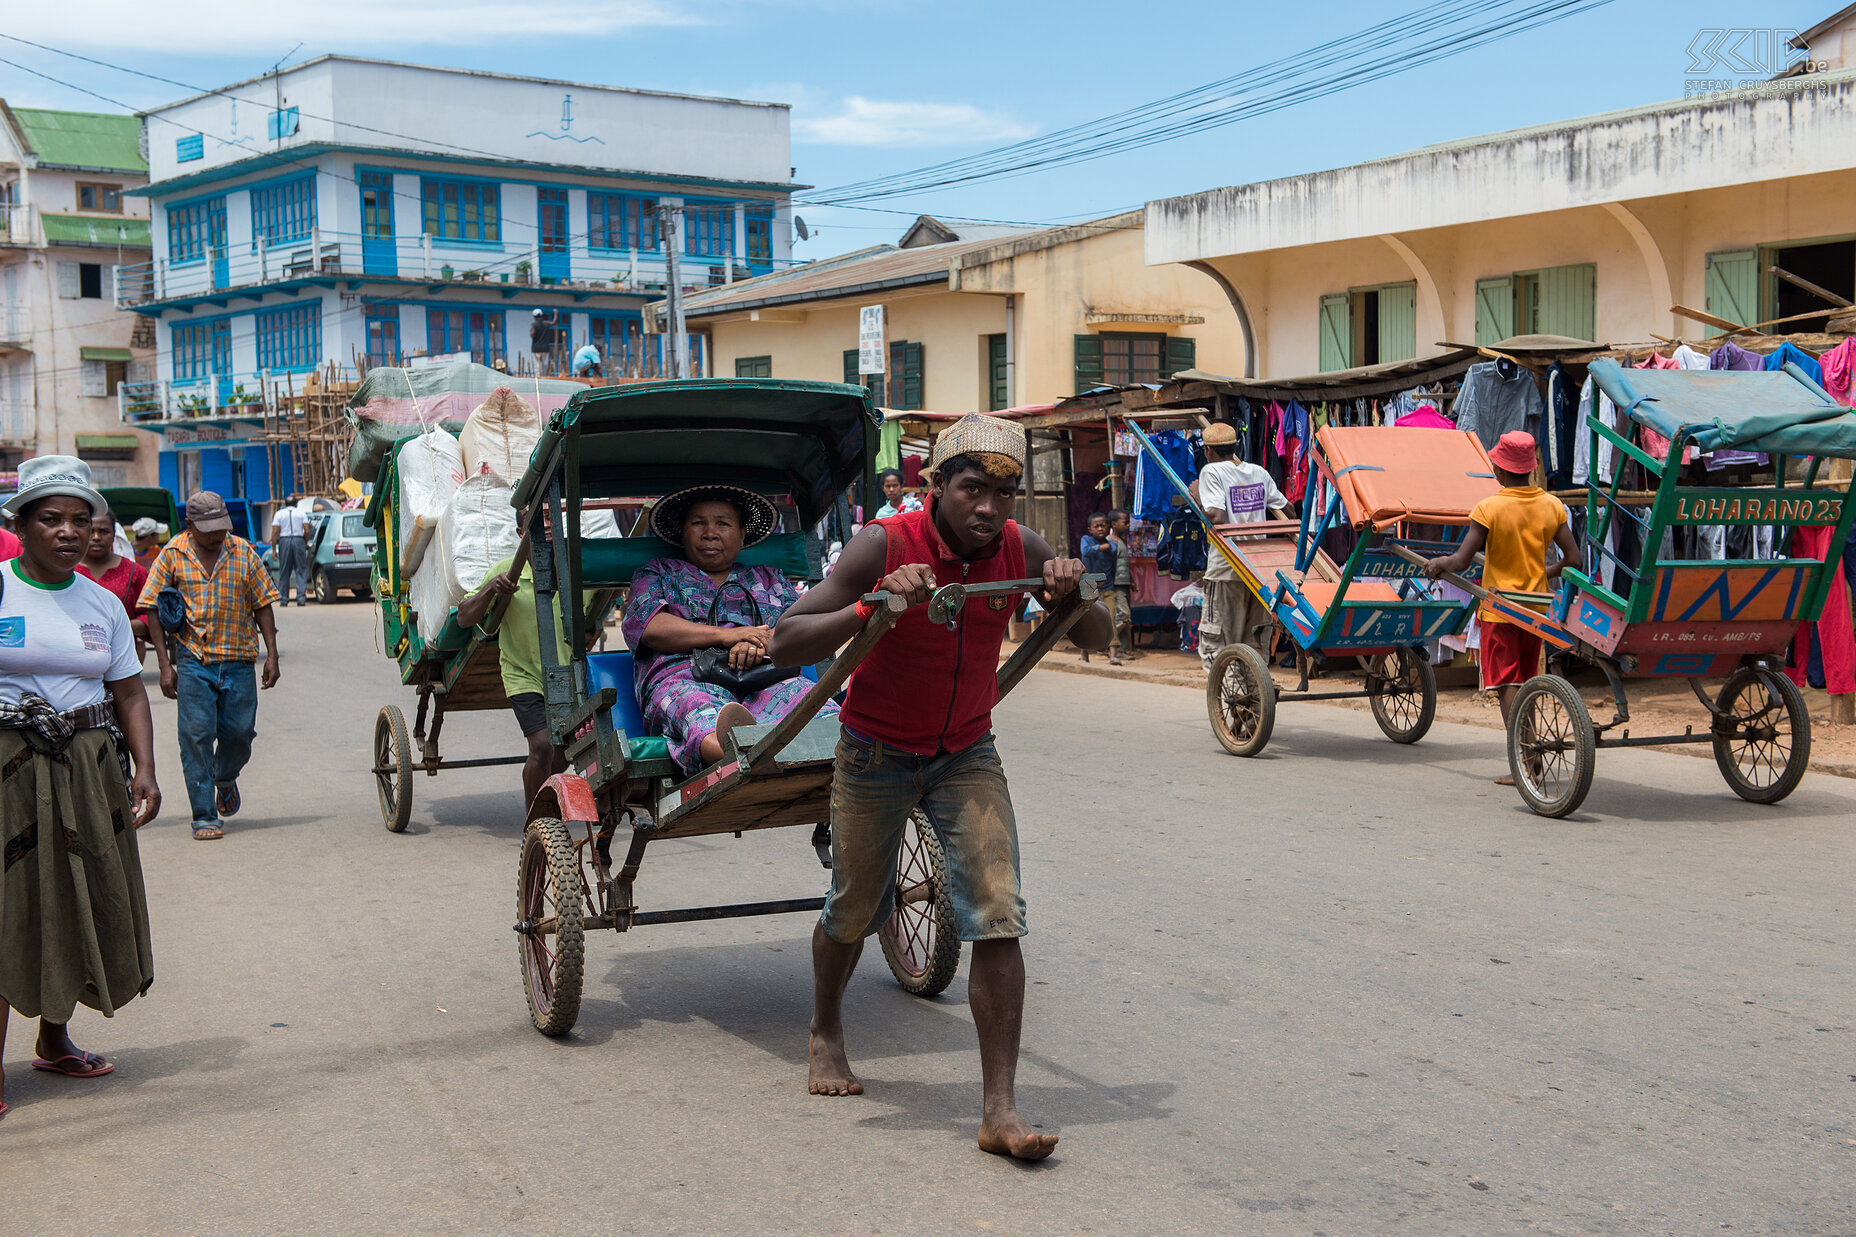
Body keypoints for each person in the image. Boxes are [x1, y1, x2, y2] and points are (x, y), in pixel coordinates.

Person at [770, 412, 1110, 1160]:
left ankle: (1000, 1109)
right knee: (856, 906)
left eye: (1003, 493)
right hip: (874, 752)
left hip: (965, 752)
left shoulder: (1019, 548)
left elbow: (1101, 638)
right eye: (971, 489)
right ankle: (826, 1026)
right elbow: (785, 636)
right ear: (936, 487)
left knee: (998, 909)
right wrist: (872, 605)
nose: (988, 507)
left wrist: (1070, 592)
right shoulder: (884, 543)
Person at [0, 456, 161, 1122]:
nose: (68, 532)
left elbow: (128, 692)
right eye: (50, 518)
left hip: (89, 770)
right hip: (10, 770)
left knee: (75, 897)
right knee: (8, 908)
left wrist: (146, 769)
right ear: (21, 524)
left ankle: (54, 1038)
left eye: (79, 519)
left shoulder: (102, 602)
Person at [622, 485, 834, 772]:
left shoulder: (769, 578)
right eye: (698, 523)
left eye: (722, 524)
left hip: (766, 677)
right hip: (684, 679)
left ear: (742, 533)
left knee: (813, 703)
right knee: (698, 710)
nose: (710, 533)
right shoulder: (657, 573)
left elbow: (800, 628)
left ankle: (808, 755)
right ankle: (738, 756)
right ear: (683, 531)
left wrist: (762, 642)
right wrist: (730, 635)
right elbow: (650, 626)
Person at [1423, 430, 1577, 785]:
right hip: (1536, 611)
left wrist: (1439, 563)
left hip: (1500, 610)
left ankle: (1526, 759)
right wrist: (1542, 572)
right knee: (1526, 680)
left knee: (1508, 684)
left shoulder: (1488, 508)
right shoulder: (1552, 505)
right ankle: (1530, 752)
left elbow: (1461, 561)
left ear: (1502, 472)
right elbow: (1573, 559)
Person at [137, 492, 282, 840]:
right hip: (192, 661)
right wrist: (164, 664)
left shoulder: (243, 552)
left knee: (240, 734)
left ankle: (225, 775)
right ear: (189, 526)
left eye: (221, 528)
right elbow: (152, 608)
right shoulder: (173, 553)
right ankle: (204, 815)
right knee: (196, 737)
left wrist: (272, 654)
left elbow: (263, 603)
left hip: (239, 658)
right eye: (208, 530)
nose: (217, 536)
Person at [454, 555, 588, 807]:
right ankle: (535, 822)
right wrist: (490, 588)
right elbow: (464, 617)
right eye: (539, 516)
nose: (547, 522)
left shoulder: (574, 566)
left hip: (564, 674)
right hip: (522, 673)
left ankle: (547, 806)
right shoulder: (508, 571)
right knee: (543, 746)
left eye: (552, 516)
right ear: (521, 532)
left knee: (562, 750)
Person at [1191, 421, 1288, 672]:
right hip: (1257, 570)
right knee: (1253, 643)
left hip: (1226, 569)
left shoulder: (1210, 472)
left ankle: (1233, 693)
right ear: (1236, 446)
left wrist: (1197, 496)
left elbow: (1217, 517)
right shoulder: (1258, 472)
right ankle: (1253, 701)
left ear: (1208, 451)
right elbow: (1287, 510)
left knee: (1219, 645)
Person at [77, 507, 151, 662]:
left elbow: (150, 616)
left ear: (114, 536)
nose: (96, 537)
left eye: (104, 532)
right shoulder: (65, 571)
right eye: (91, 531)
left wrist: (120, 626)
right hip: (76, 660)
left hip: (123, 659)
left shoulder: (133, 572)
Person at [1078, 512, 1121, 664]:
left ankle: (1114, 654)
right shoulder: (1086, 540)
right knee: (1086, 618)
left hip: (1108, 587)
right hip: (1088, 586)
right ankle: (1084, 653)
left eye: (1103, 525)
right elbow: (1085, 552)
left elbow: (1114, 550)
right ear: (1090, 529)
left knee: (1111, 618)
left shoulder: (1112, 544)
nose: (1100, 528)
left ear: (1108, 527)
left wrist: (1106, 546)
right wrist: (1102, 547)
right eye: (1096, 526)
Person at [1106, 508, 1136, 659]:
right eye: (1126, 523)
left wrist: (1131, 581)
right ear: (1114, 524)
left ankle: (1122, 650)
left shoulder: (1122, 541)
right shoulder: (1110, 542)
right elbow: (1110, 565)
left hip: (1124, 583)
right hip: (1115, 584)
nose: (1128, 525)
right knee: (1123, 616)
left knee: (1125, 618)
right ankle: (1106, 640)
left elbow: (1124, 564)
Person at [270, 501, 311, 607]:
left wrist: (274, 549)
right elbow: (306, 530)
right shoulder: (301, 513)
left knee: (284, 570)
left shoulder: (279, 514)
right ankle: (301, 598)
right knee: (300, 570)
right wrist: (305, 542)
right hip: (298, 540)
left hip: (284, 540)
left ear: (285, 503)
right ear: (296, 504)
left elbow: (275, 532)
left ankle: (284, 599)